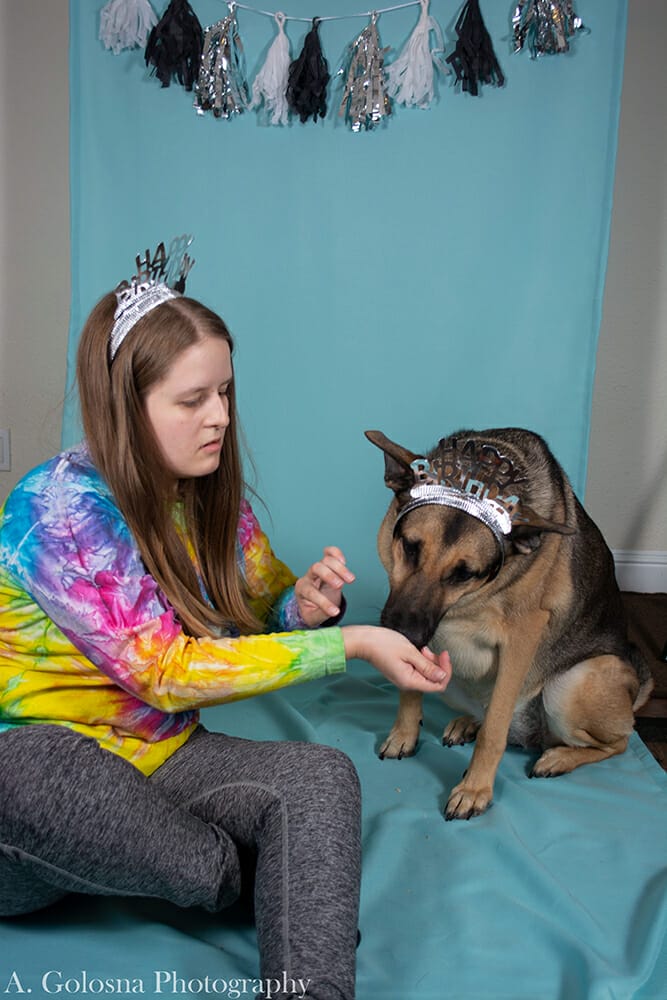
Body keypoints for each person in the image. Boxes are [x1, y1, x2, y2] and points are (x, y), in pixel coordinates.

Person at [0, 242, 451, 1000]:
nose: (220, 417)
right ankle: (251, 879)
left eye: (226, 393)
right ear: (125, 405)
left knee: (319, 777)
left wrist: (299, 608)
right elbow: (165, 674)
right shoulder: (57, 508)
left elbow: (254, 617)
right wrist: (349, 642)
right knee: (54, 782)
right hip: (40, 775)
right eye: (193, 400)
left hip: (164, 763)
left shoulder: (207, 496)